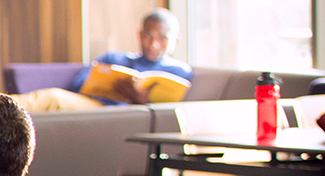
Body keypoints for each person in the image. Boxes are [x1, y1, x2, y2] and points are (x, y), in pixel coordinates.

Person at [12, 9, 192, 112]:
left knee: (53, 98)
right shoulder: (114, 58)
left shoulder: (179, 72)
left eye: (162, 39)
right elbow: (77, 85)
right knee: (54, 98)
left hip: (138, 117)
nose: (153, 45)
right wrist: (111, 89)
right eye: (148, 36)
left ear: (175, 41)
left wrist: (141, 101)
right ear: (139, 34)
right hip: (98, 108)